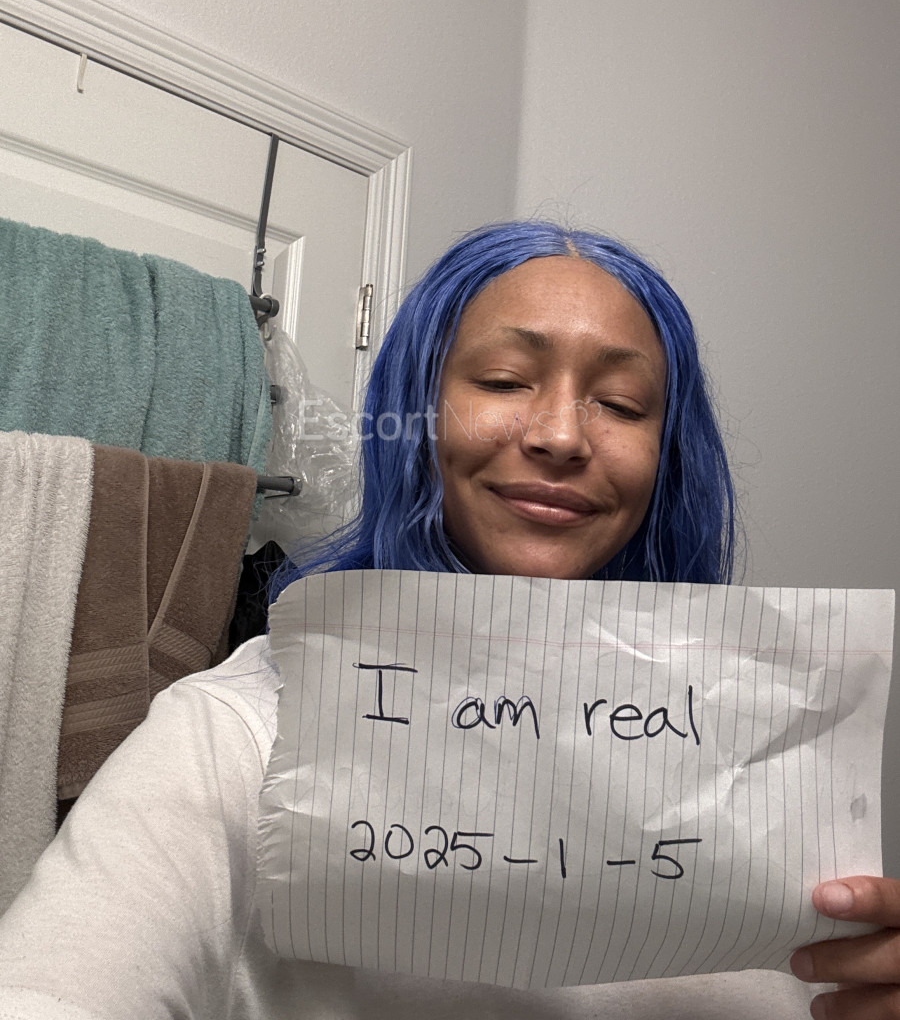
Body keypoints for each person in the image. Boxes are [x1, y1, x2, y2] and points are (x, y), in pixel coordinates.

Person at [0, 221, 891, 1019]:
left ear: (669, 456)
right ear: (418, 418)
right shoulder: (235, 734)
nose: (561, 435)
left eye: (622, 404)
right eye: (504, 380)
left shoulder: (772, 747)